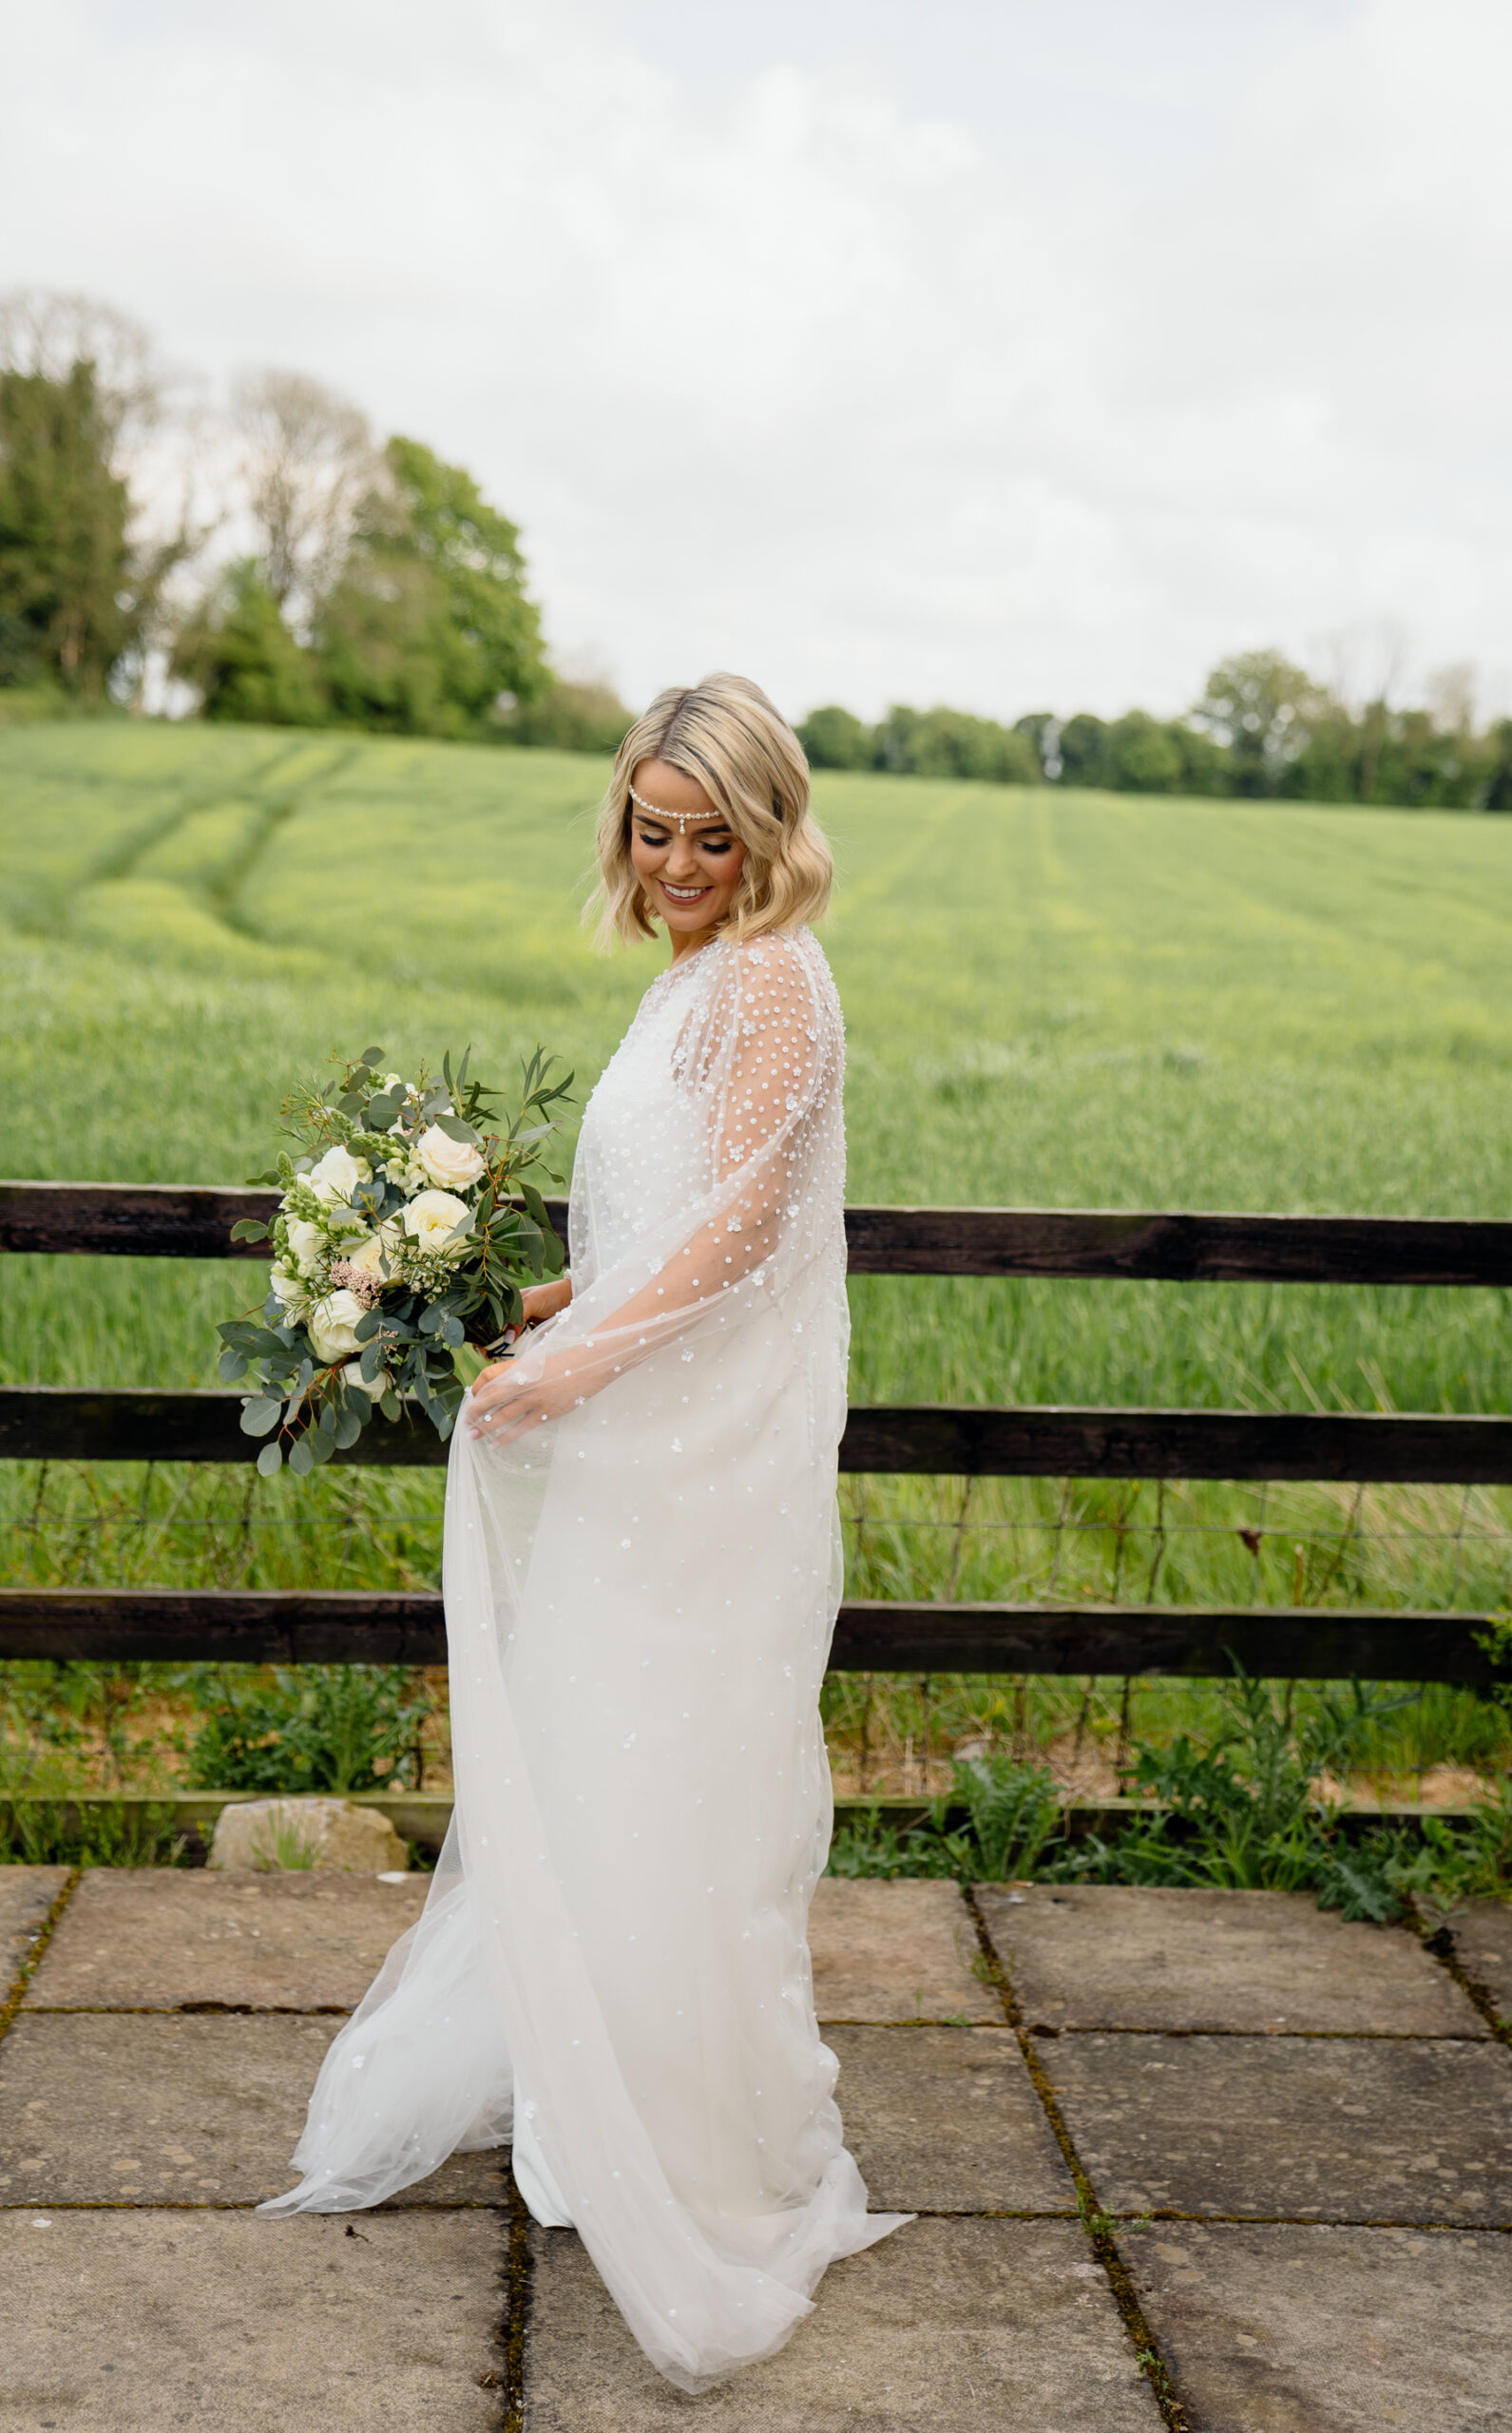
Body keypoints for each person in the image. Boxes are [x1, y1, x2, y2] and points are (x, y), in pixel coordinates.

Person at [260, 673, 910, 2391]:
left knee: (676, 1788)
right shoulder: (689, 978)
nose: (681, 861)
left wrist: (571, 1368)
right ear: (621, 825)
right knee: (601, 1775)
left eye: (714, 835)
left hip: (695, 1467)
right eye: (654, 829)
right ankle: (588, 2119)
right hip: (636, 1437)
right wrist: (498, 1298)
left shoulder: (773, 981)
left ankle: (693, 2163)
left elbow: (740, 1238)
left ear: (768, 835)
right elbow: (649, 1233)